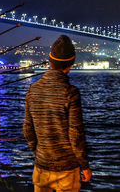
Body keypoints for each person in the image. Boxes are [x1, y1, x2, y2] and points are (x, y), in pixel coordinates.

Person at [24, 35, 92, 192]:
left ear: (50, 61)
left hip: (41, 168)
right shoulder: (71, 93)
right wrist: (85, 166)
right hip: (67, 171)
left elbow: (28, 129)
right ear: (70, 64)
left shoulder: (32, 90)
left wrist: (39, 152)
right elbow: (76, 135)